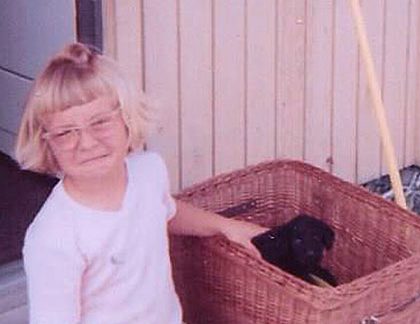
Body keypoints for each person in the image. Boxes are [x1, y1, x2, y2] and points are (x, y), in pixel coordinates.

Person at [15, 43, 267, 324]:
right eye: (65, 133)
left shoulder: (149, 171)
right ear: (46, 143)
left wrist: (226, 226)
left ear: (127, 118)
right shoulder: (53, 238)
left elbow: (165, 210)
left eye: (99, 122)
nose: (86, 143)